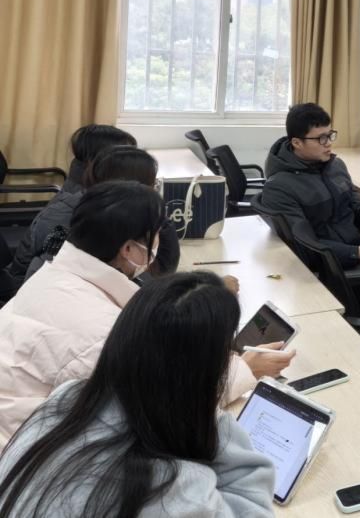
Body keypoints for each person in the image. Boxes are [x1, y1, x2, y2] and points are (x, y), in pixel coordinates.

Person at [0, 181, 292, 448]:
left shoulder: (54, 276)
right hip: (27, 459)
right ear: (128, 248)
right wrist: (243, 370)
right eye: (155, 235)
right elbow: (162, 416)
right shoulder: (102, 333)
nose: (158, 243)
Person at [0, 271, 274, 516]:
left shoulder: (68, 399)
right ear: (206, 373)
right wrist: (207, 415)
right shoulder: (172, 492)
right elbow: (251, 506)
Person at [253, 102, 360, 283]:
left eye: (330, 135)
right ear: (297, 143)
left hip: (349, 248)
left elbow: (354, 207)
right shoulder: (279, 187)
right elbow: (302, 243)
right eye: (321, 138)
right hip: (325, 267)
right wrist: (354, 254)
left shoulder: (335, 166)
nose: (329, 143)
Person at [19, 146, 182, 282]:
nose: (154, 191)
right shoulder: (70, 224)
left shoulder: (115, 214)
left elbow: (163, 271)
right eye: (152, 185)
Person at [9, 125, 135, 281]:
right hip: (31, 284)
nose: (133, 162)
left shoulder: (87, 190)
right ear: (101, 162)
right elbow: (44, 270)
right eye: (127, 156)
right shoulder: (73, 210)